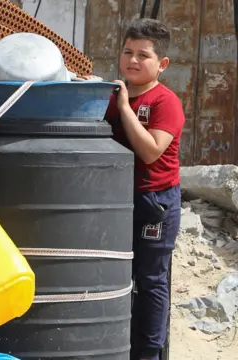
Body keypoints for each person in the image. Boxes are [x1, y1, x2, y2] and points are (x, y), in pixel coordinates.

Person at [104, 18, 185, 360]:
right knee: (115, 276)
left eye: (143, 55)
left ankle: (150, 354)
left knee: (150, 280)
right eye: (127, 52)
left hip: (156, 203)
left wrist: (124, 109)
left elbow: (152, 150)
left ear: (162, 64)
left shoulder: (166, 102)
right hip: (114, 201)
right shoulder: (109, 95)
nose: (132, 61)